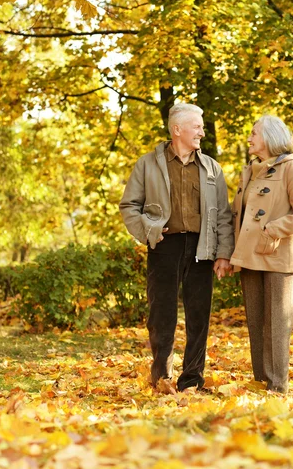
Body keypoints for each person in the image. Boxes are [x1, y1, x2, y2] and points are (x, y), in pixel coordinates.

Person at [119, 103, 234, 393]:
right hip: (164, 244)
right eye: (197, 126)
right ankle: (162, 378)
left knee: (199, 314)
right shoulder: (148, 164)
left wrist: (223, 253)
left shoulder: (211, 168)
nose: (202, 132)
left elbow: (222, 214)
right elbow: (129, 206)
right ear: (177, 129)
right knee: (161, 315)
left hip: (202, 246)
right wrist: (149, 231)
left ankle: (192, 379)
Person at [230, 115, 293, 394]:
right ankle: (261, 381)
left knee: (277, 325)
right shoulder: (250, 170)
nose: (250, 138)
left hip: (278, 257)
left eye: (254, 133)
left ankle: (278, 387)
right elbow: (237, 215)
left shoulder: (292, 169)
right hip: (250, 256)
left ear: (270, 138)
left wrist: (271, 229)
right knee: (256, 322)